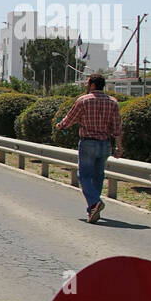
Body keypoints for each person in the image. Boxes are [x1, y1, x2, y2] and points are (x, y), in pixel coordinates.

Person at [55, 74, 123, 224]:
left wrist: (61, 126)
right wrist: (119, 146)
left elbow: (70, 119)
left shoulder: (83, 101)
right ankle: (93, 208)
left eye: (87, 83)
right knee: (98, 176)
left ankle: (94, 203)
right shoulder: (113, 103)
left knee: (84, 176)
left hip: (88, 143)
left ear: (92, 85)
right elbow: (117, 127)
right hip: (105, 144)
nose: (86, 86)